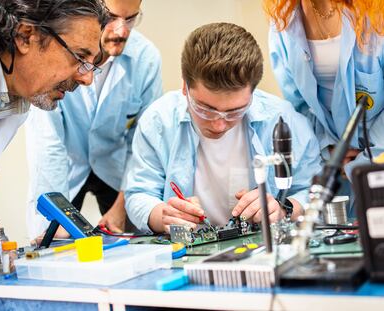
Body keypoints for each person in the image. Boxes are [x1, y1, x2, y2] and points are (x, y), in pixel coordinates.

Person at [124, 23, 322, 233]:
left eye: (234, 112)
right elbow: (139, 193)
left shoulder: (284, 121)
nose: (219, 124)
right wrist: (161, 215)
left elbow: (314, 191)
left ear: (252, 94)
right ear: (185, 87)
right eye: (205, 109)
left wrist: (284, 209)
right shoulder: (158, 121)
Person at [26, 0, 162, 239]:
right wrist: (55, 218)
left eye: (130, 19)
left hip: (116, 167)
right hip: (67, 164)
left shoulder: (146, 58)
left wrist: (122, 207)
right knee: (54, 242)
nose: (122, 31)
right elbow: (49, 144)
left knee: (132, 243)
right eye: (111, 17)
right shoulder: (57, 52)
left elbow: (142, 143)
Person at [0, 0, 107, 223]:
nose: (87, 78)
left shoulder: (16, 97)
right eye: (80, 57)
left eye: (92, 64)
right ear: (25, 36)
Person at [265, 0, 384, 215]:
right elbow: (298, 106)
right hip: (329, 162)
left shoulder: (377, 14)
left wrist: (368, 155)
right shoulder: (283, 23)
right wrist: (328, 149)